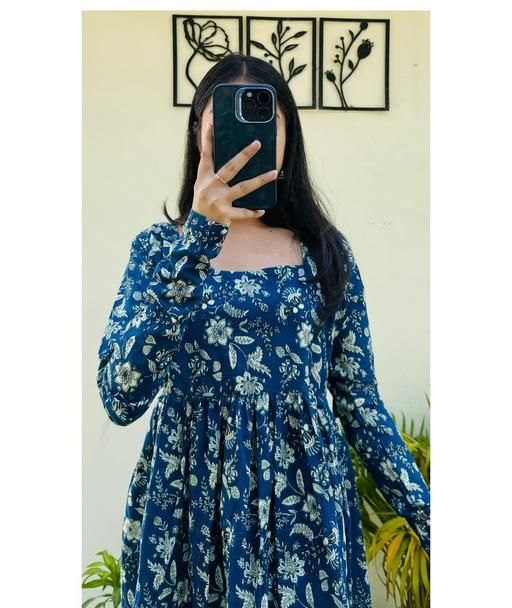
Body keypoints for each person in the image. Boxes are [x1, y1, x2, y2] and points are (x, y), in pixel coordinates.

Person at [96, 53, 430, 608]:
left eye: (266, 123)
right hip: (188, 517)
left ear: (287, 137)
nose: (248, 141)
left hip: (305, 514)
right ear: (198, 133)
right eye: (224, 122)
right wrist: (198, 240)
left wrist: (431, 517)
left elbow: (359, 401)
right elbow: (120, 396)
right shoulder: (158, 251)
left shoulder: (323, 253)